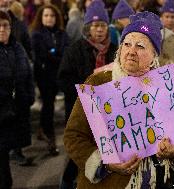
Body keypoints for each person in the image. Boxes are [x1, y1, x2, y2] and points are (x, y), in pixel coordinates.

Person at [63, 11, 174, 188]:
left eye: (140, 46)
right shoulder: (98, 84)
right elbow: (73, 136)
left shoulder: (167, 86)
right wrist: (105, 163)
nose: (131, 52)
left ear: (153, 56)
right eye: (127, 44)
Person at [58, 1, 117, 188]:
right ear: (88, 27)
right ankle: (67, 183)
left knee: (103, 148)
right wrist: (85, 90)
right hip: (81, 109)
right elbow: (63, 79)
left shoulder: (115, 50)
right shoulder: (75, 49)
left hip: (107, 111)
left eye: (103, 25)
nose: (99, 30)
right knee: (79, 150)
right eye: (95, 25)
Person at [0, 10, 34, 189]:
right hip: (2, 112)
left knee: (8, 151)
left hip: (16, 110)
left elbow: (27, 73)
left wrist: (29, 96)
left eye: (5, 25)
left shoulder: (17, 47)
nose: (2, 29)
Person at [31, 4, 69, 156]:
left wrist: (53, 53)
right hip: (44, 75)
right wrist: (55, 53)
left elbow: (65, 51)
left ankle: (42, 129)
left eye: (52, 16)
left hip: (58, 74)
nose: (49, 18)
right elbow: (41, 55)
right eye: (46, 15)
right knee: (48, 104)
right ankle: (50, 136)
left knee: (50, 103)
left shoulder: (61, 33)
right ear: (41, 17)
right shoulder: (36, 34)